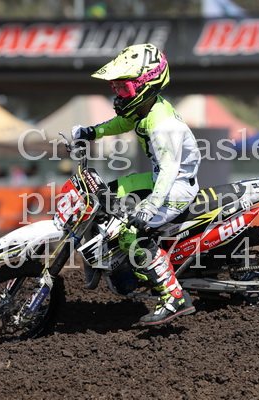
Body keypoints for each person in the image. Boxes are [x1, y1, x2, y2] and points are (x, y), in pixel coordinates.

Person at [71, 43, 201, 326]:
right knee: (101, 196)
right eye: (116, 87)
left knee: (131, 234)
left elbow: (169, 170)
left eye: (124, 88)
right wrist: (92, 132)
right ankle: (112, 263)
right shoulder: (145, 106)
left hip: (175, 185)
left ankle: (174, 297)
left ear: (147, 84)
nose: (118, 94)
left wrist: (149, 207)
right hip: (159, 177)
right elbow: (123, 123)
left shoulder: (163, 124)